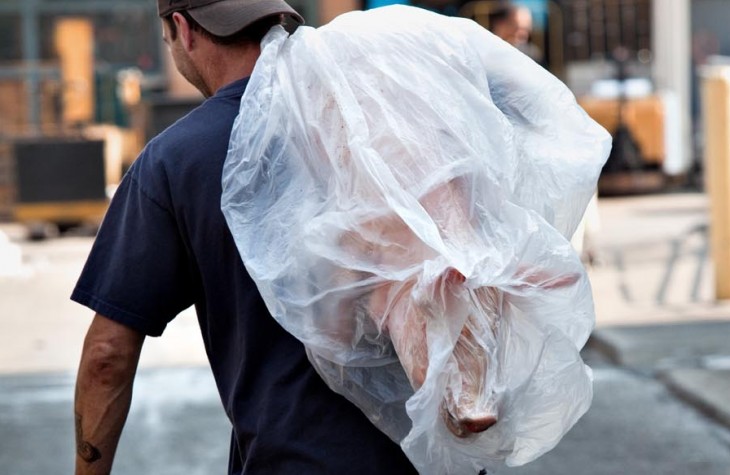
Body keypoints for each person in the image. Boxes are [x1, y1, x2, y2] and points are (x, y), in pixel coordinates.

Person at [71, 1, 419, 474]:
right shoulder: (375, 122)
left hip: (297, 461)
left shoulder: (174, 161)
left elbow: (108, 355)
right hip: (429, 458)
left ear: (181, 29)